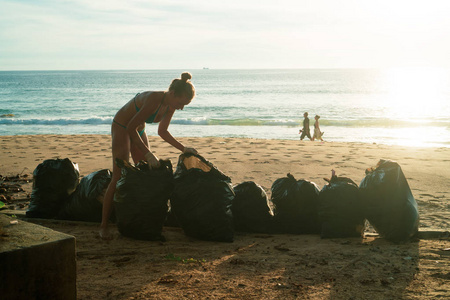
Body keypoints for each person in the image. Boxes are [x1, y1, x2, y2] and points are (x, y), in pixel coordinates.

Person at [99, 72, 198, 239]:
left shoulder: (170, 105)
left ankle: (140, 219)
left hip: (138, 129)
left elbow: (163, 131)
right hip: (122, 127)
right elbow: (130, 127)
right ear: (172, 94)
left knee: (146, 174)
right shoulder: (153, 99)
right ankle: (103, 226)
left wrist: (183, 148)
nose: (181, 108)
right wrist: (148, 153)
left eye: (184, 105)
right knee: (118, 175)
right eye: (181, 103)